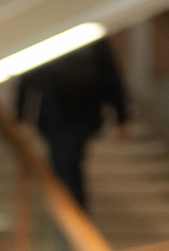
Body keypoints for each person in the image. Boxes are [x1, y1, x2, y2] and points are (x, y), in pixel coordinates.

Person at [14, 38, 128, 210]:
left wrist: (21, 114)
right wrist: (121, 116)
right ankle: (74, 216)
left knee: (67, 165)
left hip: (74, 113)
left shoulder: (88, 36)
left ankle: (73, 216)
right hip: (67, 113)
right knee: (68, 165)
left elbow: (109, 73)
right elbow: (110, 74)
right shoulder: (64, 35)